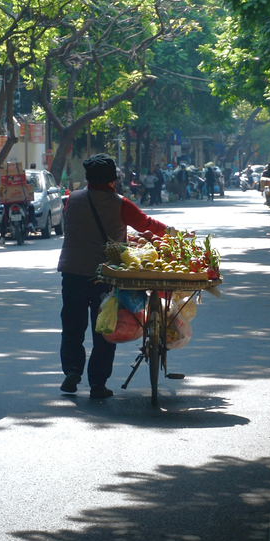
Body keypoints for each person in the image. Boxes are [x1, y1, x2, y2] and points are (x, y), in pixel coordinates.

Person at [57, 153, 181, 399]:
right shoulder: (120, 203)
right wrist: (172, 232)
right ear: (113, 180)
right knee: (104, 329)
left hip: (72, 272)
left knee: (72, 325)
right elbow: (146, 224)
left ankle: (72, 370)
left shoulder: (72, 199)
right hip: (105, 276)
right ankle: (97, 384)